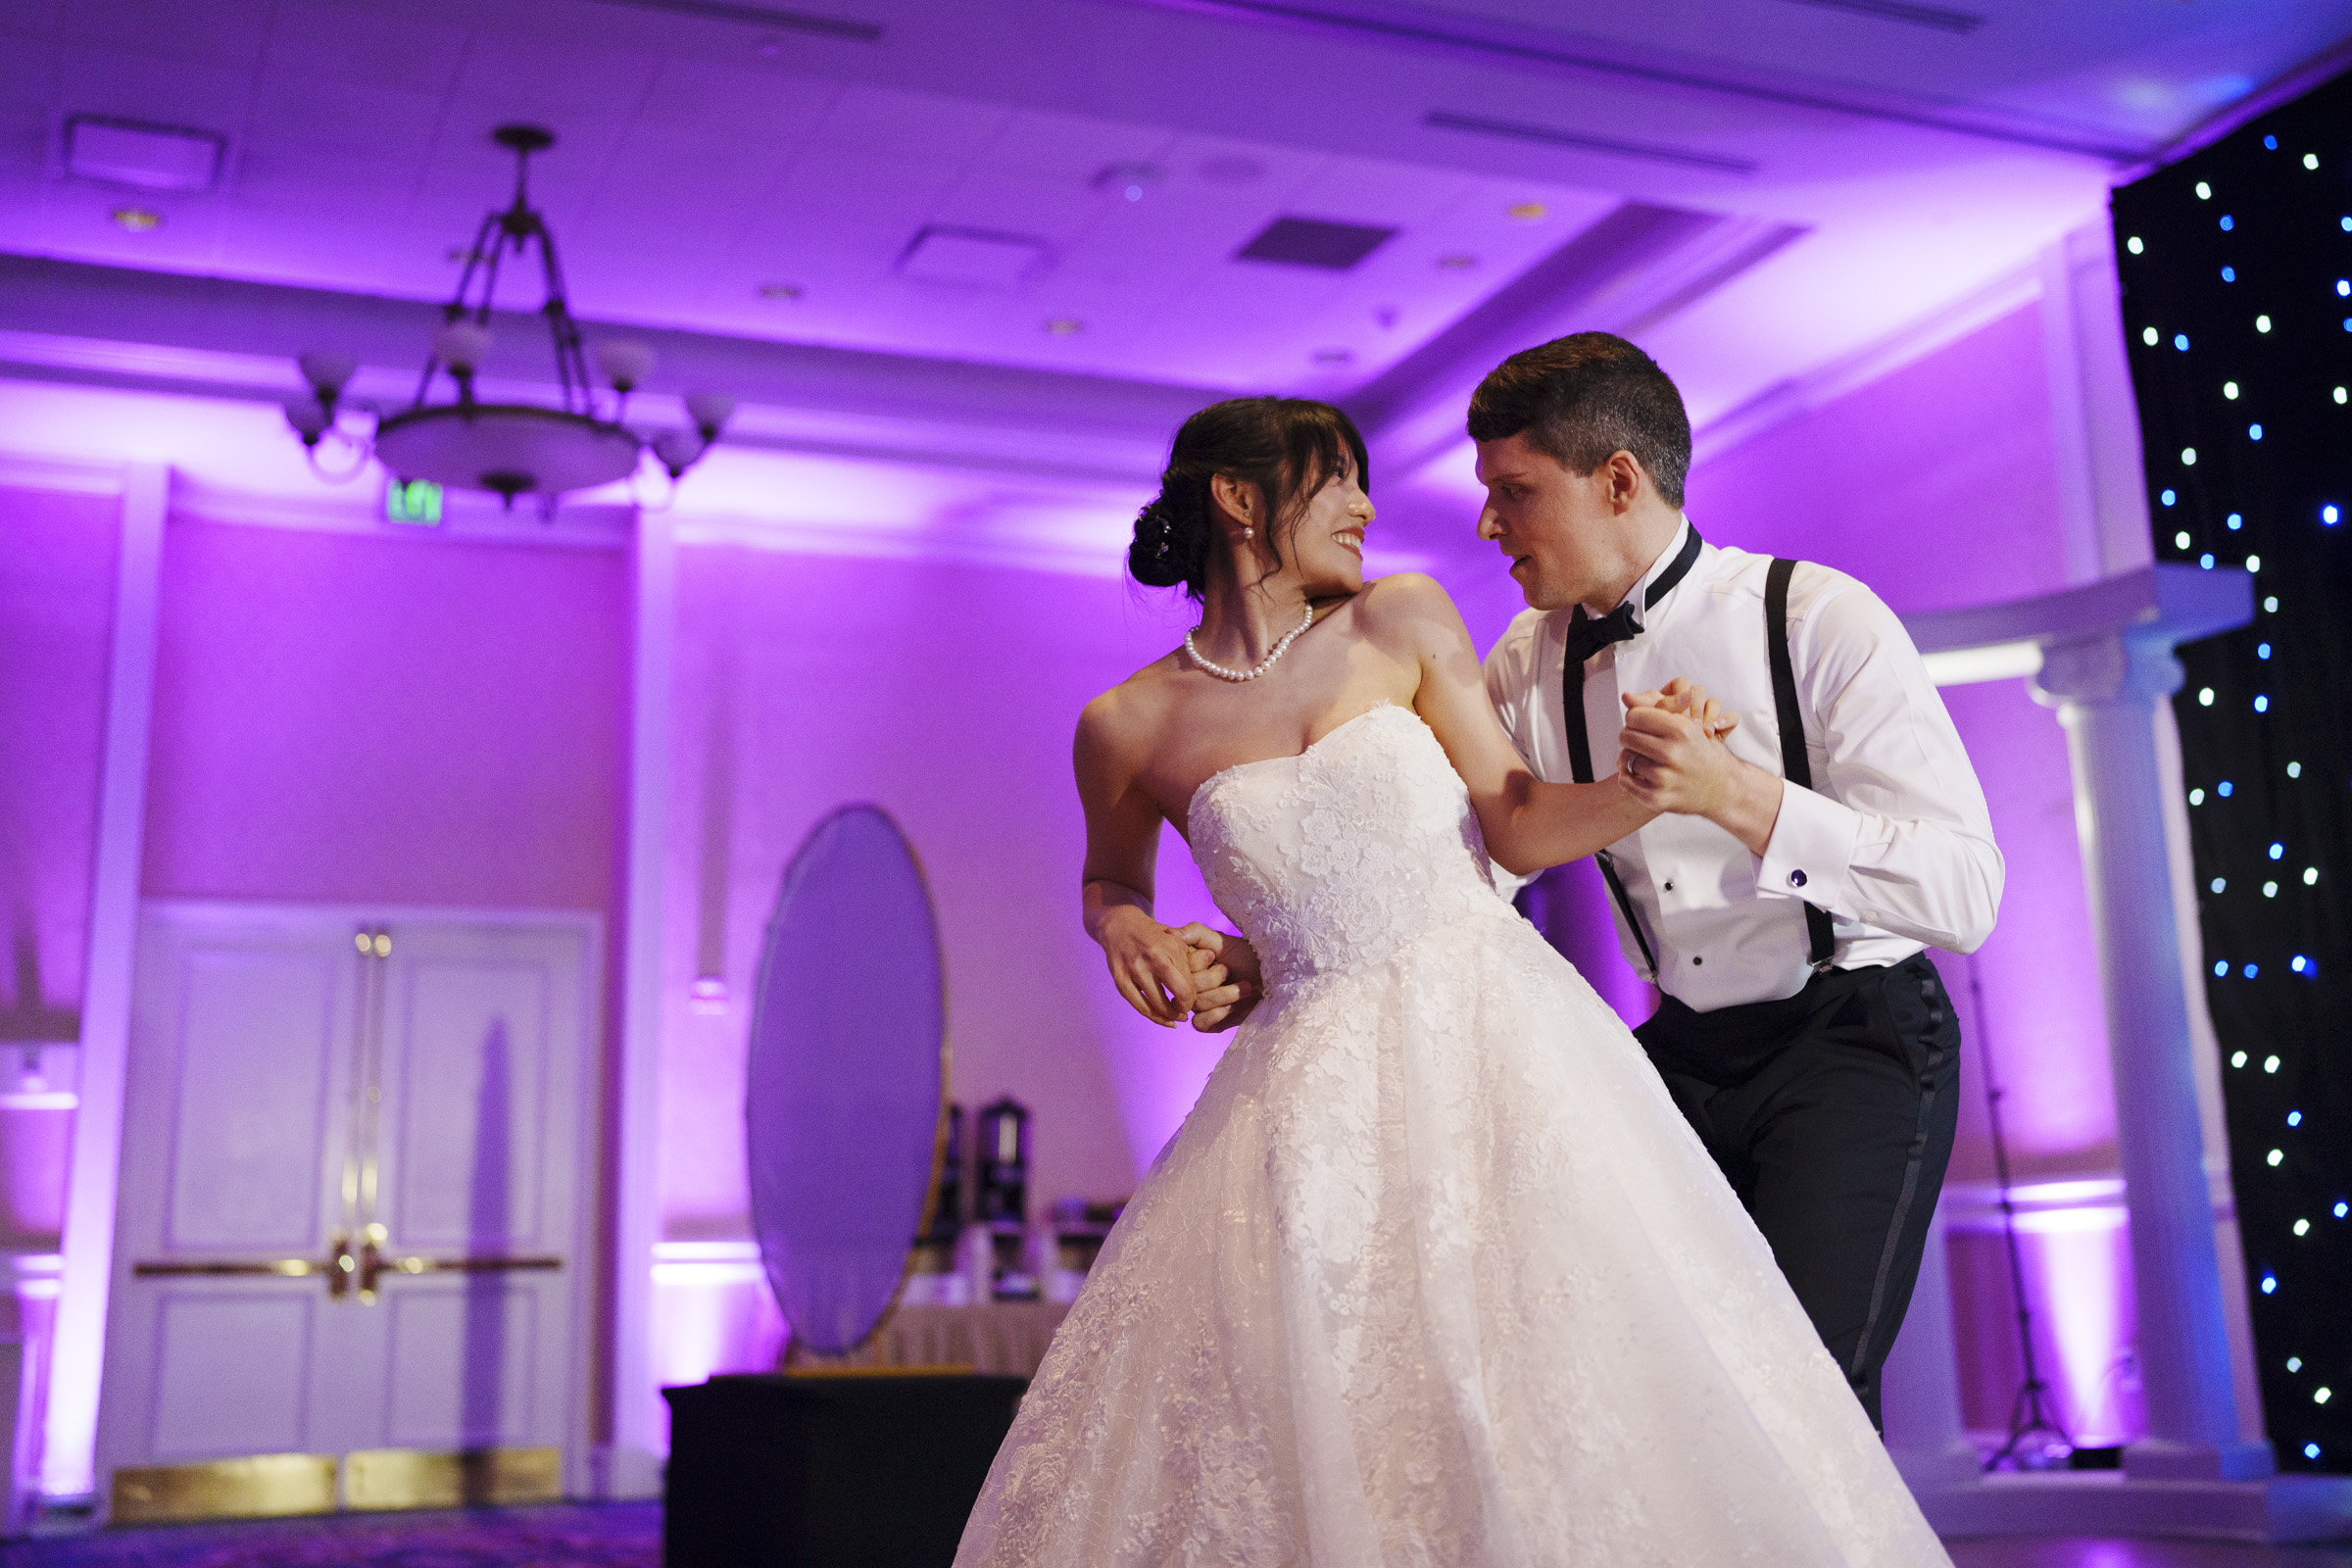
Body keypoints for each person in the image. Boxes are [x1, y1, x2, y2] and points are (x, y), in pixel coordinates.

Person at [953, 395, 1950, 1565]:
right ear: (1239, 498)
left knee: (1603, 1380)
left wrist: (1646, 784)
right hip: (1305, 1092)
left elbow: (1515, 826)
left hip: (1498, 1038)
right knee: (1335, 1406)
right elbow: (1107, 881)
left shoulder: (1402, 620)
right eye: (1338, 480)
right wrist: (1125, 929)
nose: (1369, 506)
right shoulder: (1123, 724)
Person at [1472, 332, 2002, 1432]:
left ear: (1618, 479)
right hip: (1677, 1053)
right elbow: (1469, 864)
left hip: (1854, 1043)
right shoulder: (1523, 660)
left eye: (1515, 492)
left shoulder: (1816, 617)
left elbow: (1965, 893)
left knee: (1799, 1410)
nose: (1490, 526)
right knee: (1638, 1401)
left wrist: (1731, 791)